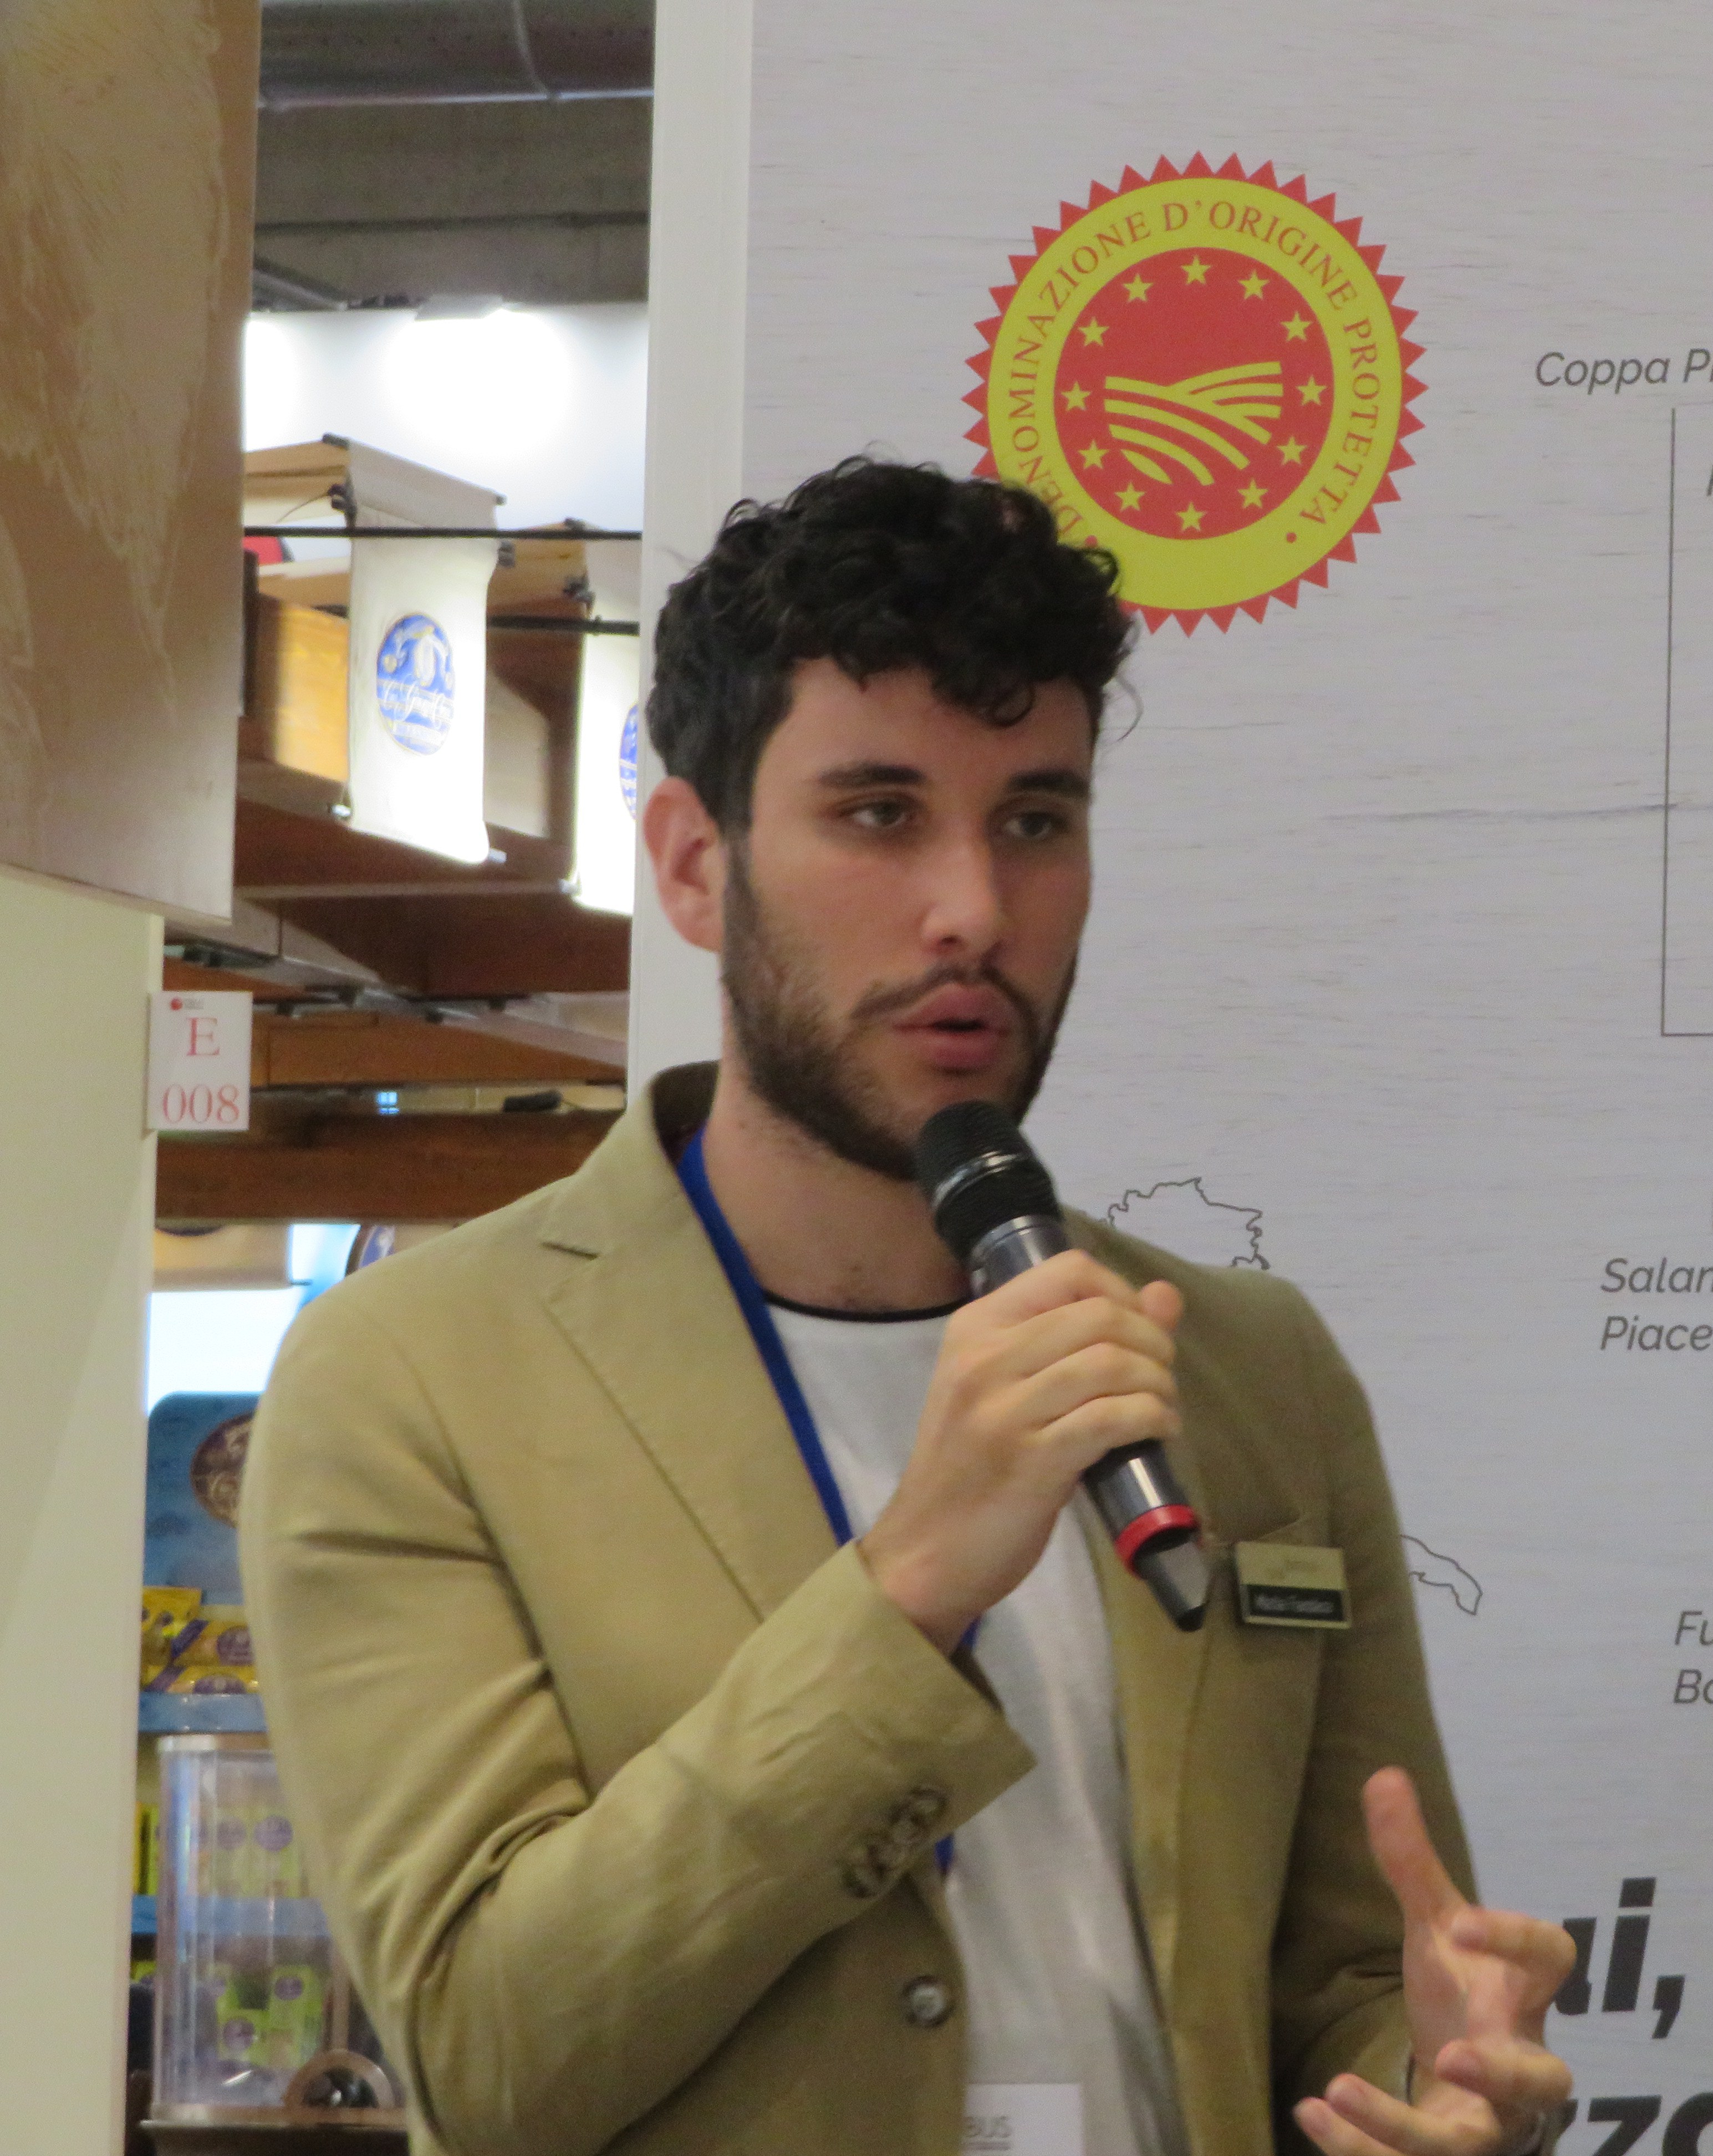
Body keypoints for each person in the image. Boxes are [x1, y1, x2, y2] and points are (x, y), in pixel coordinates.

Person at [239, 460, 1575, 2156]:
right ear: (695, 863)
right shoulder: (414, 1376)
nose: (975, 911)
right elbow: (492, 2058)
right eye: (880, 815)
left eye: (1036, 821)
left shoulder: (1249, 1368)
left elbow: (1342, 1987)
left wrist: (1438, 2073)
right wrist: (911, 1583)